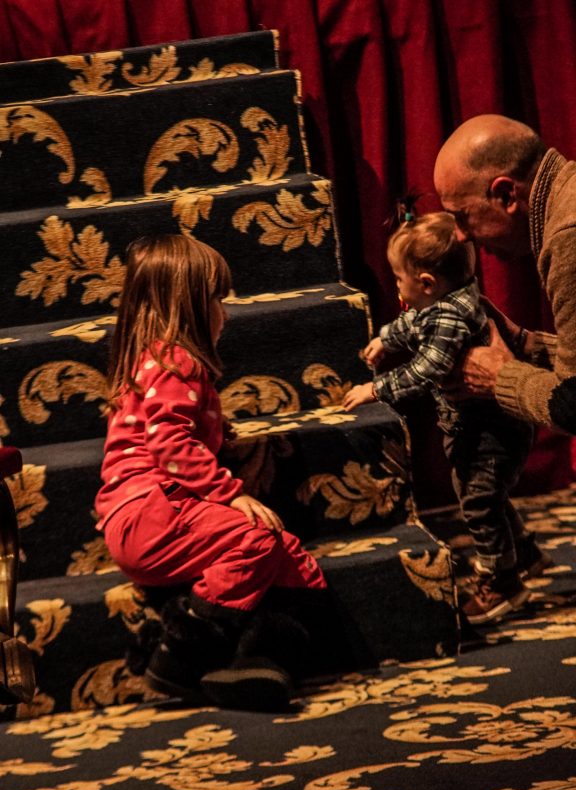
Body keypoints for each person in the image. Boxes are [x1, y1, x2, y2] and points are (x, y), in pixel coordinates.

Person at [95, 233, 326, 711]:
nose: (227, 313)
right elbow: (168, 442)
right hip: (150, 510)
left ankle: (257, 660)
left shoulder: (155, 360)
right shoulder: (177, 360)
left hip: (147, 514)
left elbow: (175, 427)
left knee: (285, 552)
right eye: (219, 300)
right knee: (256, 539)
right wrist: (231, 493)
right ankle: (181, 650)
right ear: (191, 309)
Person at [342, 210, 546, 625]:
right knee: (478, 491)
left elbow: (428, 368)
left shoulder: (449, 316)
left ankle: (504, 581)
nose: (396, 285)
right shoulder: (448, 300)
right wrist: (387, 338)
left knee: (478, 498)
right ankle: (522, 552)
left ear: (426, 283)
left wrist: (376, 389)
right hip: (477, 426)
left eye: (398, 278)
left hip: (491, 428)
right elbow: (415, 321)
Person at [433, 113, 576, 434]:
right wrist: (525, 344)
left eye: (462, 216)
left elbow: (573, 406)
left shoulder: (568, 237)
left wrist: (499, 377)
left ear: (506, 195)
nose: (460, 236)